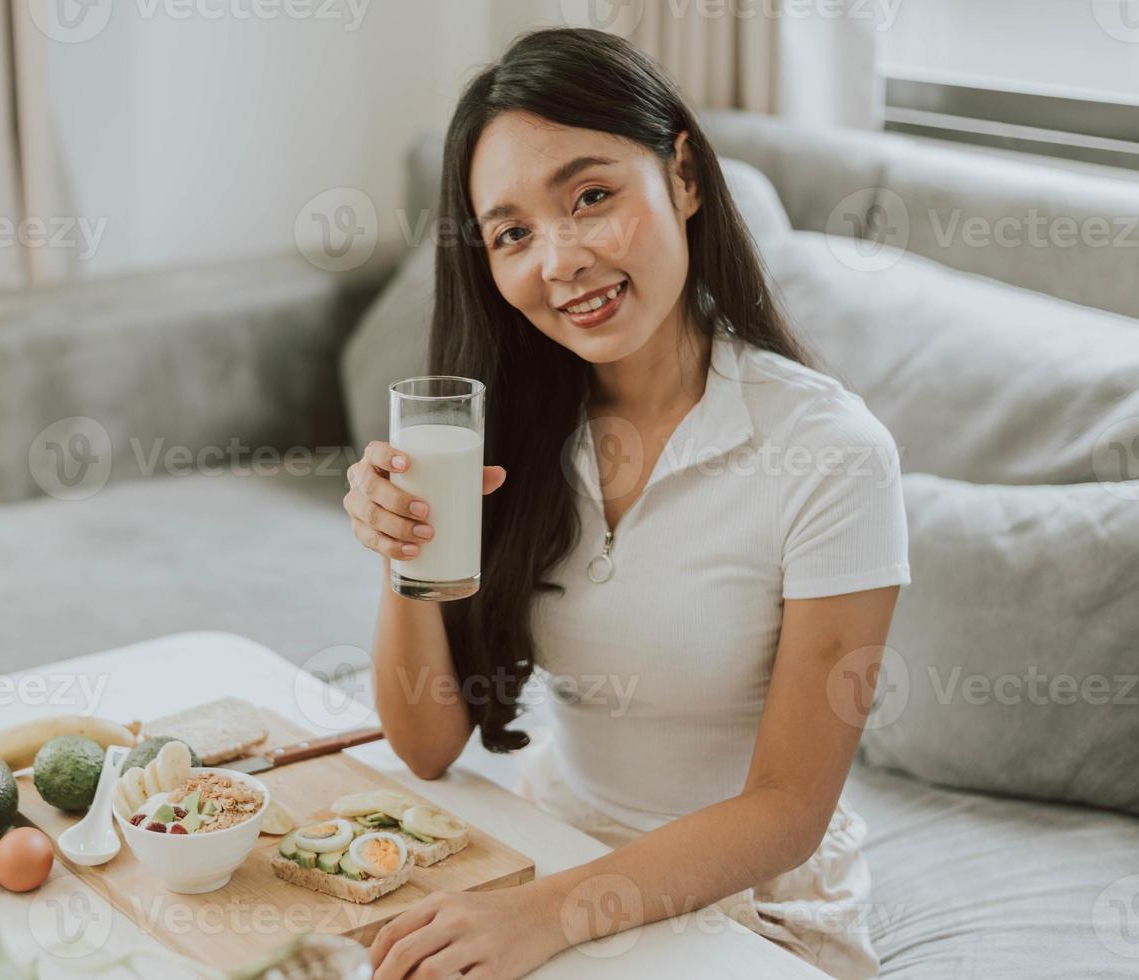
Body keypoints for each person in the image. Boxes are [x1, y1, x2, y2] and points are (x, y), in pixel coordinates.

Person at [342, 27, 910, 980]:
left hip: (748, 906)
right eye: (512, 232)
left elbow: (787, 810)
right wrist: (406, 558)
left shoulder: (830, 455)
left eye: (592, 197)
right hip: (549, 845)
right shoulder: (511, 432)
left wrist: (546, 916)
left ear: (682, 177)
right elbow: (429, 743)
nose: (559, 260)